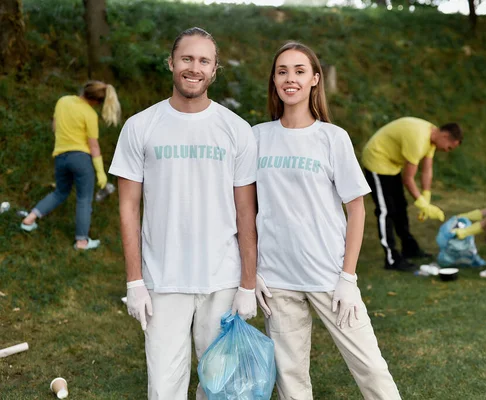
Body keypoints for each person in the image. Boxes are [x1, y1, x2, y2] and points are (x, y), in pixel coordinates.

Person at [108, 27, 258, 400]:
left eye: (204, 60)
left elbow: (246, 212)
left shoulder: (236, 130)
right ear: (171, 63)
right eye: (187, 58)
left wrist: (248, 284)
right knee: (163, 389)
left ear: (215, 69)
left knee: (220, 388)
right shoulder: (140, 126)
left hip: (221, 279)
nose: (195, 67)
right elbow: (128, 206)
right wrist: (134, 282)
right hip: (162, 281)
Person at [253, 41, 402, 400]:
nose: (290, 79)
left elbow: (357, 209)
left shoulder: (333, 138)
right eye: (282, 71)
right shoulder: (256, 137)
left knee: (370, 367)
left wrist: (347, 277)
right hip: (276, 279)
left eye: (299, 71)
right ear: (274, 80)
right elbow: (245, 208)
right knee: (290, 379)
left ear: (315, 79)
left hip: (329, 276)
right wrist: (252, 270)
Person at [20, 81, 121, 250]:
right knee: (84, 199)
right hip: (81, 159)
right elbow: (94, 146)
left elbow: (55, 126)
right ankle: (82, 241)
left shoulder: (63, 101)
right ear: (97, 102)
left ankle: (29, 219)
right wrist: (101, 173)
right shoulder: (89, 114)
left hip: (61, 157)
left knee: (60, 192)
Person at [361, 117, 463, 272]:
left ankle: (409, 248)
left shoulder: (432, 135)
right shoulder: (418, 139)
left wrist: (426, 196)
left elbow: (427, 169)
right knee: (386, 210)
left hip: (392, 164)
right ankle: (392, 258)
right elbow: (408, 179)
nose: (447, 151)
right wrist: (422, 203)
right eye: (449, 147)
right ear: (445, 136)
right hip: (377, 160)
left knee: (400, 206)